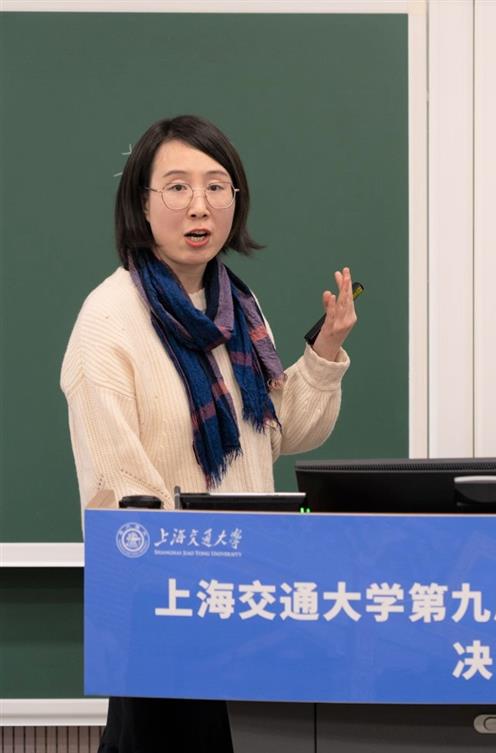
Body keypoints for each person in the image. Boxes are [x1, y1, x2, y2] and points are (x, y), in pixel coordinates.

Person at [60, 114, 356, 752]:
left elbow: (276, 434)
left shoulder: (236, 308)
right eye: (177, 187)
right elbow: (120, 493)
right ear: (141, 204)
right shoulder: (108, 320)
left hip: (251, 607)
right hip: (166, 613)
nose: (200, 206)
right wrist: (205, 573)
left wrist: (326, 352)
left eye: (217, 186)